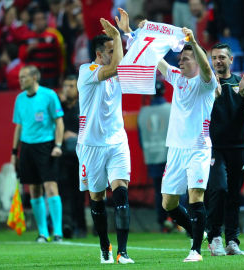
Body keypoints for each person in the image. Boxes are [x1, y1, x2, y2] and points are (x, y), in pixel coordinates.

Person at [76, 16, 134, 264]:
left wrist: (125, 32)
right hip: (91, 145)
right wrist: (118, 37)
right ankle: (104, 247)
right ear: (100, 55)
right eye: (111, 51)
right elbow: (115, 68)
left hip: (117, 142)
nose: (116, 53)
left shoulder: (116, 71)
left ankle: (122, 252)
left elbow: (132, 57)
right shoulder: (86, 71)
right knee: (97, 197)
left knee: (121, 192)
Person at [157, 29, 217, 262]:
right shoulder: (177, 78)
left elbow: (206, 67)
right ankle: (198, 233)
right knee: (168, 203)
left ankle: (196, 251)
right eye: (180, 58)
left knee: (195, 195)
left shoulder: (207, 84)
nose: (180, 61)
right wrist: (133, 36)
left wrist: (193, 41)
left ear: (197, 60)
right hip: (175, 149)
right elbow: (157, 61)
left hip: (198, 148)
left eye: (186, 58)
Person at [206, 43, 244, 256]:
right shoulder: (207, 83)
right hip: (214, 147)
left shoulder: (239, 82)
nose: (218, 61)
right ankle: (214, 237)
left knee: (234, 194)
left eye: (222, 57)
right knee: (219, 189)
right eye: (215, 57)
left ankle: (232, 241)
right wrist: (213, 96)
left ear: (231, 60)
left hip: (238, 147)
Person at [10, 65, 64, 242]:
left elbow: (59, 122)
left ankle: (57, 232)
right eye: (19, 77)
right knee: (33, 189)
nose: (20, 81)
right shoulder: (19, 99)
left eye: (23, 77)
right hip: (27, 147)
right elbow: (19, 126)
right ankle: (42, 233)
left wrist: (57, 145)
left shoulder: (49, 95)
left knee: (50, 186)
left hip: (46, 146)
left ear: (34, 77)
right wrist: (13, 152)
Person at [137, 80, 171, 232]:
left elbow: (140, 139)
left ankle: (162, 222)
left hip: (152, 155)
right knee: (175, 189)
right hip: (170, 154)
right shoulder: (171, 109)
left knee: (158, 191)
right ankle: (176, 220)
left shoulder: (143, 113)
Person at [58, 74, 87, 239]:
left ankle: (81, 226)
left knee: (80, 193)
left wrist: (74, 135)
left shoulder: (83, 107)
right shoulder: (58, 108)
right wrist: (61, 136)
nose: (67, 89)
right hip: (62, 156)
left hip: (79, 156)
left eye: (71, 86)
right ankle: (66, 225)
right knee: (64, 191)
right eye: (65, 86)